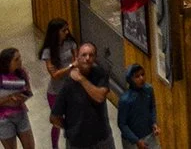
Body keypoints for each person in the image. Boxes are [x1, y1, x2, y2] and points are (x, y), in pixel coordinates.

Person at [49, 44, 111, 149]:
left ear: (95, 58)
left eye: (91, 55)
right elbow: (54, 118)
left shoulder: (101, 74)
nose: (87, 58)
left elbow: (100, 97)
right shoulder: (68, 85)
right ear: (77, 58)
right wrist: (71, 128)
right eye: (84, 55)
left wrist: (81, 79)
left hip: (103, 138)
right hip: (78, 143)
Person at [38, 20, 76, 149]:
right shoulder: (48, 51)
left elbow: (76, 62)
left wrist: (72, 67)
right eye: (63, 30)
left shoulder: (71, 43)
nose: (67, 32)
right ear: (55, 33)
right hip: (55, 91)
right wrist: (71, 67)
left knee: (72, 118)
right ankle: (55, 146)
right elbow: (54, 75)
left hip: (71, 88)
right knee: (57, 121)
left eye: (67, 29)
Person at [0, 47, 35, 149]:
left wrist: (22, 97)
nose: (20, 61)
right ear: (7, 63)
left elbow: (28, 91)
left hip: (21, 114)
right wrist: (9, 98)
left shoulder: (22, 73)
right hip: (3, 119)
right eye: (16, 59)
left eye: (20, 58)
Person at [115, 65, 158, 149]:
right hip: (132, 141)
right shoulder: (125, 100)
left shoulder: (149, 89)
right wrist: (136, 140)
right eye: (137, 76)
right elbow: (122, 124)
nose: (141, 78)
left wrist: (154, 122)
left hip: (148, 135)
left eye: (142, 74)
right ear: (130, 80)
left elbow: (152, 107)